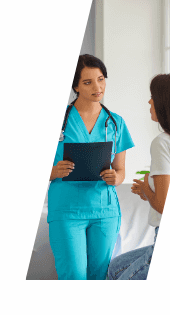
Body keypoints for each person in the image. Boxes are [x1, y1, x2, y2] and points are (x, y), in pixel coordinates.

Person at [48, 54, 135, 280]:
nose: (97, 87)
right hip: (67, 211)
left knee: (100, 277)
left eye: (101, 79)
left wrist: (116, 178)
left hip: (105, 211)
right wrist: (54, 171)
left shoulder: (116, 122)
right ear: (75, 86)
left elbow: (120, 170)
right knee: (74, 276)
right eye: (88, 82)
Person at [106, 73, 170, 280]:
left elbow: (164, 206)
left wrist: (147, 188)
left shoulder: (162, 142)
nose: (149, 101)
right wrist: (149, 193)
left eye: (152, 96)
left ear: (164, 102)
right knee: (115, 267)